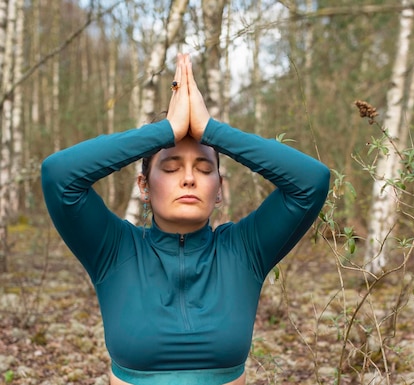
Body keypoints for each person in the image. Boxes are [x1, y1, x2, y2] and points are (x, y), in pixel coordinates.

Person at [41, 53, 330, 385]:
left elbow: (312, 181)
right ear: (144, 186)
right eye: (171, 167)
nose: (189, 179)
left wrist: (210, 130)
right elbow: (58, 175)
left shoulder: (244, 250)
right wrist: (168, 131)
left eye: (205, 169)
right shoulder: (114, 249)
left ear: (219, 189)